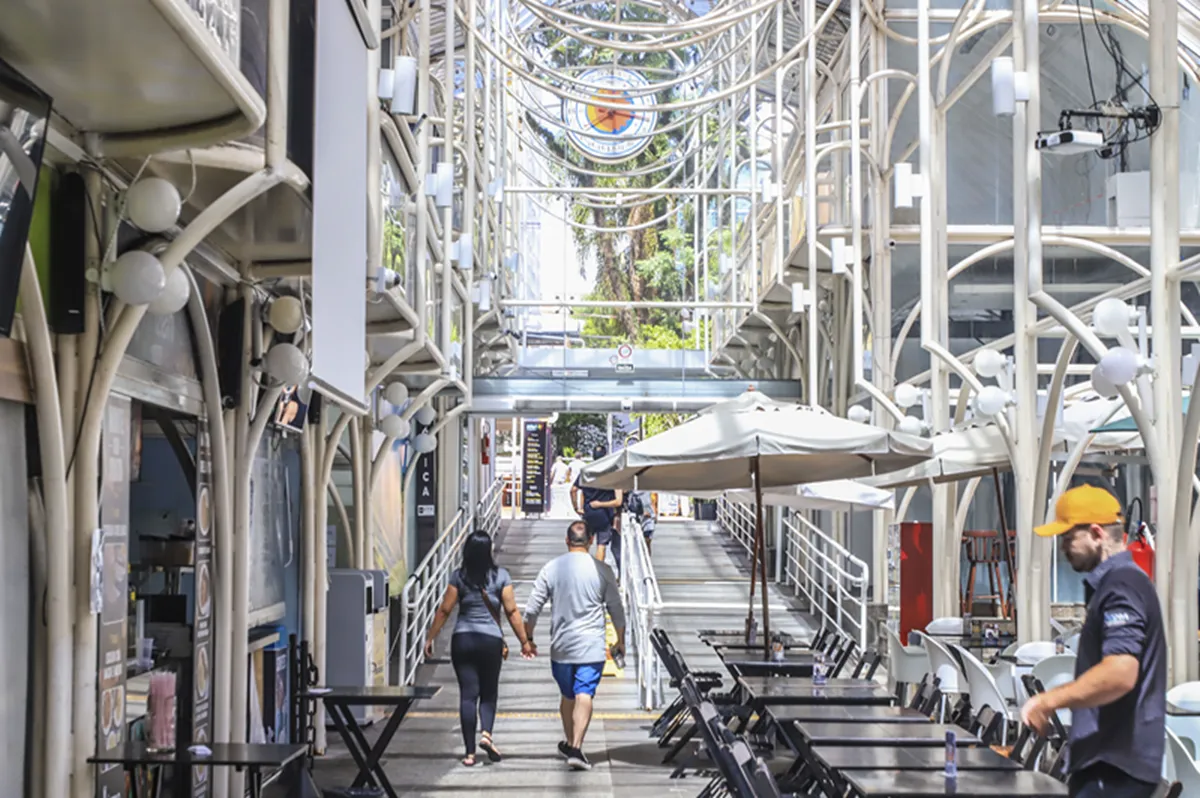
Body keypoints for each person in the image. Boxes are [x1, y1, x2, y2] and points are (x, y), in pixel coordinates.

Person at [1020, 485, 1166, 798]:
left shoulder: (1122, 585)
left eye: (1068, 537)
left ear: (1097, 534)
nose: (1062, 547)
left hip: (1114, 767)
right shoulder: (1115, 584)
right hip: (1109, 763)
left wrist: (1048, 700)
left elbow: (1121, 671)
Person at [521, 520, 626, 771]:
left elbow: (531, 609)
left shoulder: (551, 568)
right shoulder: (602, 570)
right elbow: (616, 610)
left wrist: (528, 639)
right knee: (585, 693)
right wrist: (621, 640)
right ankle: (576, 747)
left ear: (567, 541)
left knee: (568, 695)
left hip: (561, 647)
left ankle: (571, 744)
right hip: (591, 646)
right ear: (590, 541)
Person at [424, 530, 533, 767]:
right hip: (490, 641)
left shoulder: (459, 576)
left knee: (468, 694)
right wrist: (524, 641)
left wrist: (430, 638)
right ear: (489, 551)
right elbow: (512, 612)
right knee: (489, 691)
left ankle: (469, 754)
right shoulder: (501, 576)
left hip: (463, 639)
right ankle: (487, 734)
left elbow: (445, 609)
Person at [571, 445, 624, 568]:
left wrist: (576, 507)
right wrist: (601, 504)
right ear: (605, 456)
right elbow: (618, 501)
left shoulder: (587, 471)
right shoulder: (611, 473)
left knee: (584, 543)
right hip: (605, 514)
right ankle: (598, 572)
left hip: (588, 512)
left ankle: (583, 569)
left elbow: (573, 490)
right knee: (602, 545)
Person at [626, 489, 658, 555]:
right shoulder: (631, 489)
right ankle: (642, 557)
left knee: (647, 539)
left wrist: (654, 514)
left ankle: (647, 559)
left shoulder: (648, 487)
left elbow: (653, 500)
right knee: (637, 541)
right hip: (635, 515)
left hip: (648, 515)